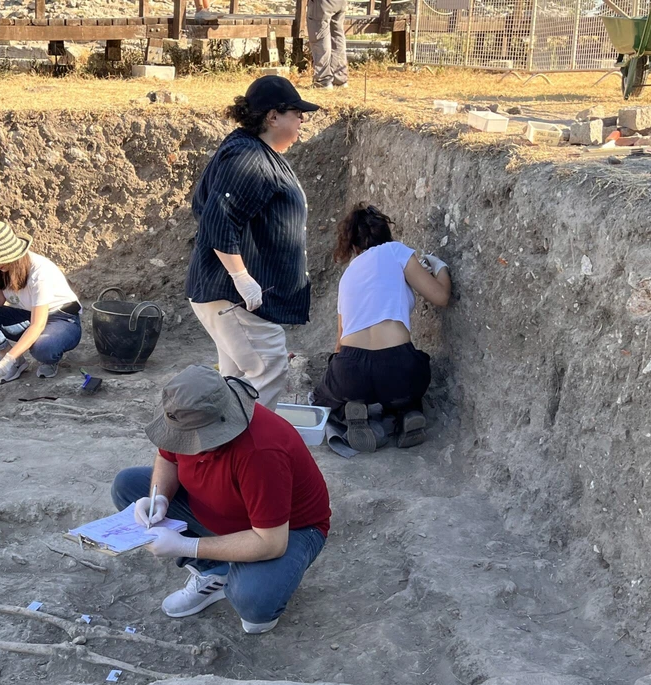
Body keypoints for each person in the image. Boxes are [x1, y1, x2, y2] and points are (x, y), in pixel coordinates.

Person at [111, 364, 331, 634]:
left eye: (195, 439)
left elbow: (271, 543)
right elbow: (166, 457)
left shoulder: (260, 451)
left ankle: (243, 573)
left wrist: (185, 546)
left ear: (222, 423)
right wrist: (160, 497)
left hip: (287, 530)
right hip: (219, 506)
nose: (186, 445)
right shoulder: (184, 416)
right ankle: (214, 570)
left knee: (253, 606)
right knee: (127, 486)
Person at [185, 75, 320, 410]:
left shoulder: (252, 150)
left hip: (230, 298)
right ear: (272, 117)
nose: (302, 119)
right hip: (233, 298)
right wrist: (241, 277)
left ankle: (225, 456)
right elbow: (218, 218)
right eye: (296, 112)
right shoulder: (248, 157)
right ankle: (249, 455)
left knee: (237, 383)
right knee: (268, 369)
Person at [312, 203, 451, 450]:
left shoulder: (347, 276)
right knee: (406, 386)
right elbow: (440, 296)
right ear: (385, 234)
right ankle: (406, 413)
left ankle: (350, 410)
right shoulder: (397, 251)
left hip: (351, 370)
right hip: (398, 368)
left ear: (353, 246)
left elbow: (339, 343)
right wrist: (439, 267)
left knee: (324, 395)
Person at [0, 220, 82, 385]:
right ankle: (18, 364)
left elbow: (38, 325)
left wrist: (7, 359)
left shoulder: (39, 273)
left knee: (42, 348)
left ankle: (49, 360)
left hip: (62, 318)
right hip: (28, 314)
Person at [307, 0, 349, 90]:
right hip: (341, 3)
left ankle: (323, 80)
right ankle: (339, 78)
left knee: (319, 36)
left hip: (323, 3)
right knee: (337, 36)